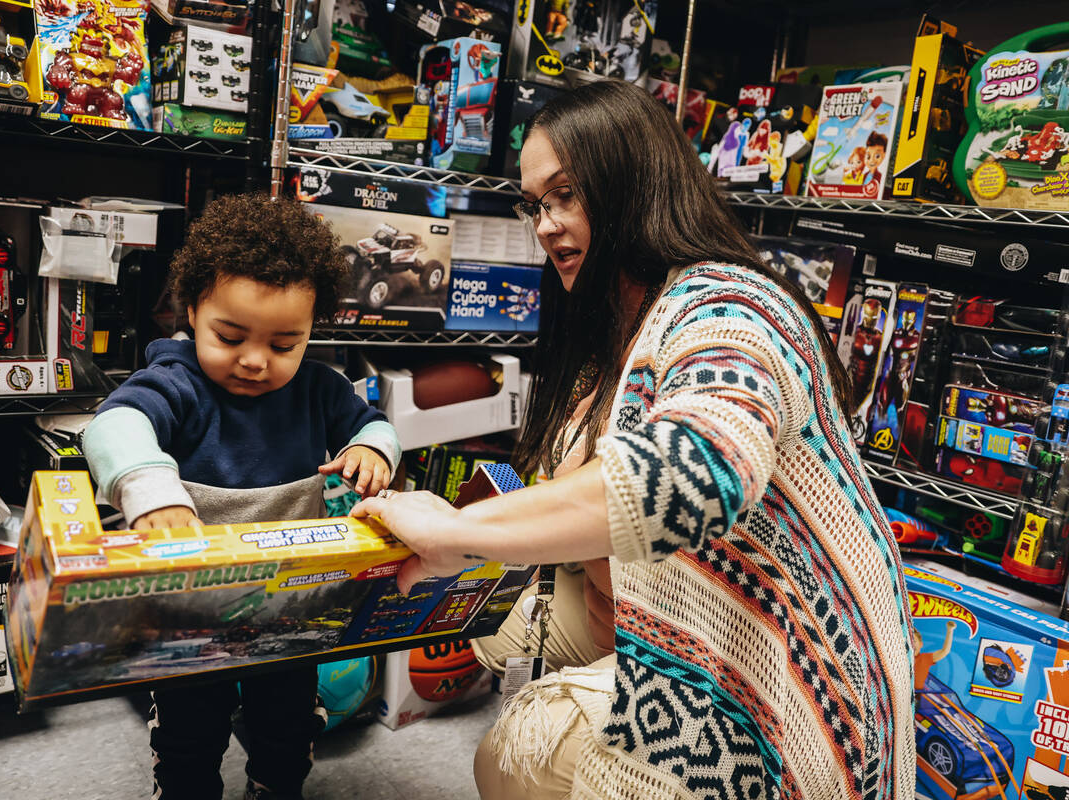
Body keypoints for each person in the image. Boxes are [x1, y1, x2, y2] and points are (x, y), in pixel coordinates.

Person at [352, 80, 915, 800]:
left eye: (567, 195)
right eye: (535, 205)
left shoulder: (727, 306)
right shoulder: (618, 324)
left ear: (633, 183)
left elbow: (699, 469)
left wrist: (460, 531)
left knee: (513, 753)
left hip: (778, 683)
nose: (547, 225)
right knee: (492, 622)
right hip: (665, 617)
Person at [83, 193, 400, 800]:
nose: (255, 361)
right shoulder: (175, 382)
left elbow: (374, 424)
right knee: (188, 735)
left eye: (285, 345)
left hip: (287, 604)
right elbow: (112, 425)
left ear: (311, 332)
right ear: (193, 310)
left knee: (285, 730)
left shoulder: (318, 390)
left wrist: (373, 451)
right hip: (190, 609)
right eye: (229, 336)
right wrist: (151, 492)